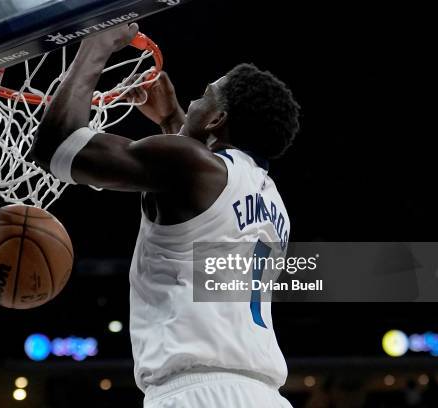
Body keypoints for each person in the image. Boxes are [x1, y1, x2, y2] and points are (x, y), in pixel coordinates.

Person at [31, 23, 300, 408]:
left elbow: (57, 147)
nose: (191, 103)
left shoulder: (194, 169)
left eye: (203, 96)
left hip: (195, 395)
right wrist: (172, 119)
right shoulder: (274, 205)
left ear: (215, 120)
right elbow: (196, 208)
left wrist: (97, 44)